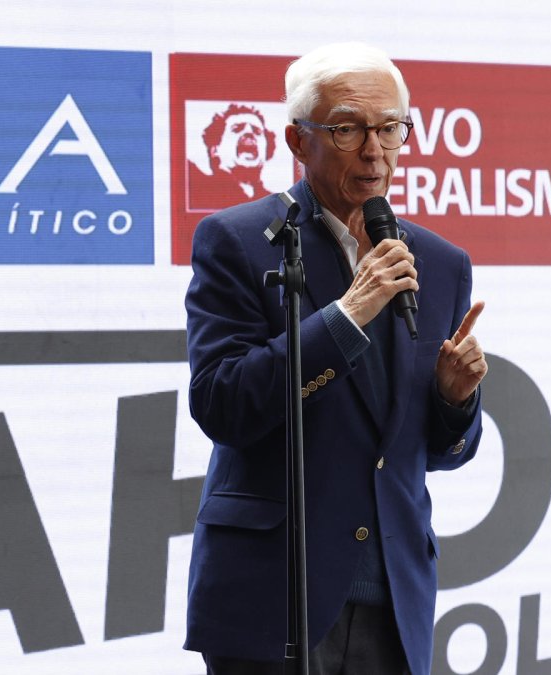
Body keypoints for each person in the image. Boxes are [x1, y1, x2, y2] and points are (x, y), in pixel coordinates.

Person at [182, 42, 487, 675]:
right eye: (349, 128)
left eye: (392, 128)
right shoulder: (238, 242)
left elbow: (429, 451)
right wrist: (347, 316)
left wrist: (455, 403)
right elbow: (223, 405)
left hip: (394, 599)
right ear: (299, 141)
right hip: (274, 596)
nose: (375, 149)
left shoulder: (442, 262)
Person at [188, 103, 277, 208]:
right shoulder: (197, 191)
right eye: (237, 129)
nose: (249, 132)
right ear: (215, 148)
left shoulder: (276, 203)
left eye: (257, 131)